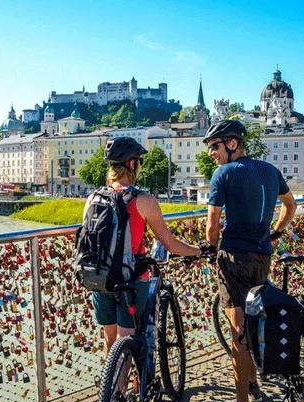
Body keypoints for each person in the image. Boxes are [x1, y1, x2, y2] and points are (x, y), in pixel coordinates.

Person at [203, 120, 298, 402]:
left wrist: (210, 249)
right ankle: (255, 385)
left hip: (233, 259)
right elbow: (290, 204)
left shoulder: (223, 174)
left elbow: (212, 226)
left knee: (238, 335)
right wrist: (276, 232)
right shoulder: (270, 171)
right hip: (262, 256)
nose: (211, 154)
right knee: (255, 321)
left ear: (232, 144)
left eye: (214, 146)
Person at [86, 137, 214, 355]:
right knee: (125, 341)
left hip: (98, 277)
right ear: (132, 164)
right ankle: (121, 390)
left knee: (110, 341)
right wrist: (200, 250)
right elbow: (171, 244)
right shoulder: (144, 200)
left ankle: (112, 387)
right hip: (131, 279)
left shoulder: (93, 198)